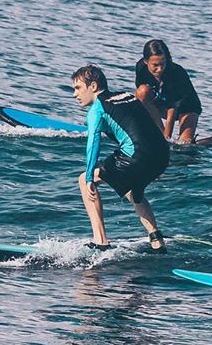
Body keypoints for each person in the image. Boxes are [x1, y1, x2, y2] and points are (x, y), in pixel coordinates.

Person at [71, 64, 171, 252]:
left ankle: (101, 241)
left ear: (93, 86)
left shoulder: (96, 109)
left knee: (83, 180)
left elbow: (93, 144)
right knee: (133, 190)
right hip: (162, 155)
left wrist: (90, 177)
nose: (74, 94)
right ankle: (157, 241)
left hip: (136, 156)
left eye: (78, 88)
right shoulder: (127, 96)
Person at [134, 39, 205, 145]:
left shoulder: (176, 74)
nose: (160, 69)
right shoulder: (141, 68)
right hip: (163, 102)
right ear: (146, 61)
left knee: (184, 145)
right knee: (141, 92)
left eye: (163, 64)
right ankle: (160, 136)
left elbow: (172, 111)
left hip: (187, 107)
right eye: (155, 65)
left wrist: (166, 139)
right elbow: (142, 100)